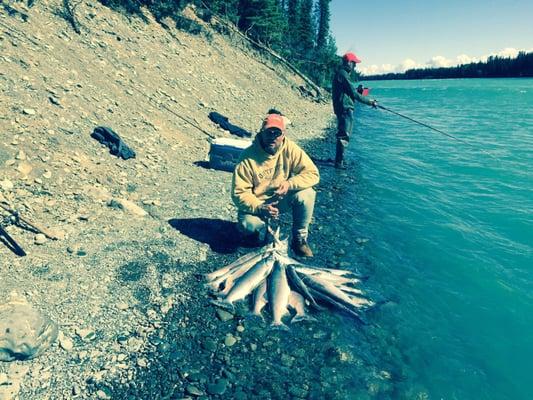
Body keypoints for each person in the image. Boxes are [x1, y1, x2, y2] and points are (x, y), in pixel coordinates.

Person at [232, 113, 319, 257]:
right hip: (257, 204)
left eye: (277, 133)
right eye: (268, 132)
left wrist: (290, 183)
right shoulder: (247, 157)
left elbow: (313, 174)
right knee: (248, 226)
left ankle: (299, 239)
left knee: (307, 193)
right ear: (261, 132)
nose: (272, 136)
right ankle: (259, 231)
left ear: (283, 134)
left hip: (279, 200)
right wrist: (260, 207)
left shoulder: (290, 149)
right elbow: (239, 193)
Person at [332, 52, 378, 169]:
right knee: (344, 135)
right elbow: (354, 94)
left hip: (343, 107)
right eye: (354, 63)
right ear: (349, 63)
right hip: (345, 108)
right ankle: (339, 163)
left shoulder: (341, 74)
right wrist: (370, 102)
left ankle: (339, 160)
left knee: (343, 134)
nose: (355, 66)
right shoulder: (343, 74)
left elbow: (349, 91)